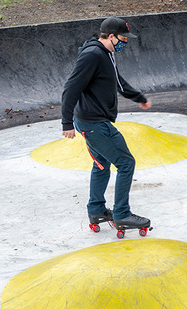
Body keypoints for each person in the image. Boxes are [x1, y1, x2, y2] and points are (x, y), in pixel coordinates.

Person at [61, 16, 151, 230]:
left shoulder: (107, 54)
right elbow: (70, 88)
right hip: (94, 123)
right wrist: (66, 123)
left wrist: (139, 98)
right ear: (111, 36)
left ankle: (96, 211)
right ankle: (122, 214)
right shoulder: (92, 55)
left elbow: (119, 82)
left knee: (101, 165)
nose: (125, 43)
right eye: (122, 38)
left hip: (95, 121)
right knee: (126, 163)